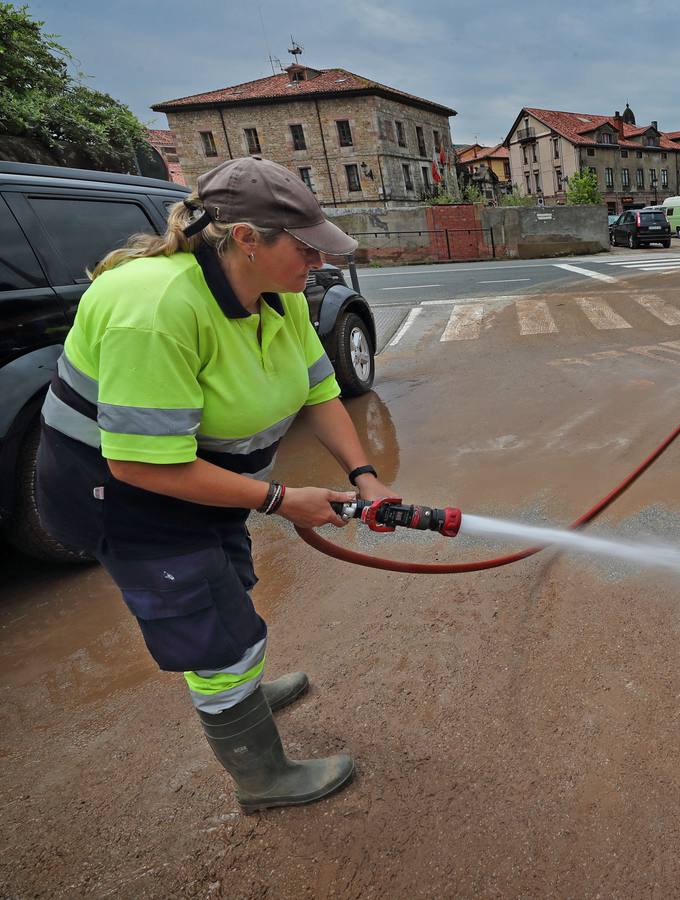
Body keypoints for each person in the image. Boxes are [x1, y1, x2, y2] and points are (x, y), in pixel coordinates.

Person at [36, 156, 396, 812]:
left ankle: (243, 691)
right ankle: (261, 778)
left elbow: (319, 391)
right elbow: (142, 464)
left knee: (230, 582)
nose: (318, 262)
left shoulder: (276, 296)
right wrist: (284, 500)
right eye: (306, 247)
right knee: (209, 628)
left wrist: (364, 475)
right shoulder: (156, 307)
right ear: (247, 240)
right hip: (121, 491)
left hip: (198, 475)